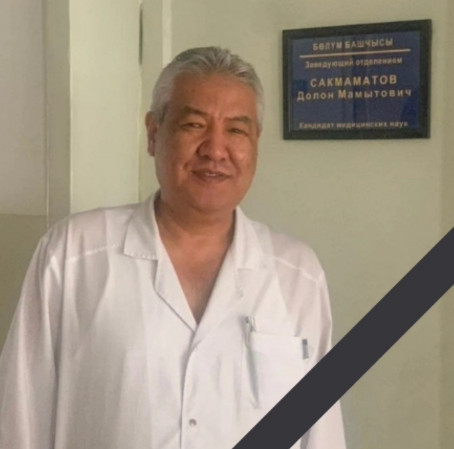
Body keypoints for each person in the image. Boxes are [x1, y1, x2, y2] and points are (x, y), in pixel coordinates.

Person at [0, 47, 346, 449]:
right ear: (153, 133)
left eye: (236, 130)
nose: (215, 150)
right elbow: (20, 414)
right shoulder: (73, 255)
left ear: (255, 143)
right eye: (194, 125)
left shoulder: (296, 273)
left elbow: (320, 430)